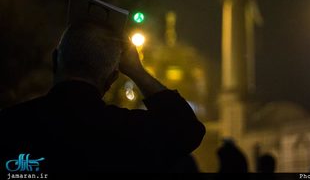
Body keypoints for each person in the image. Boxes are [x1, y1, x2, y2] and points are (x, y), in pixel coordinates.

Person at [0, 22, 205, 175]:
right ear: (112, 78)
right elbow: (187, 130)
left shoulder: (10, 125)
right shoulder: (127, 133)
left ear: (55, 61)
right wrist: (137, 71)